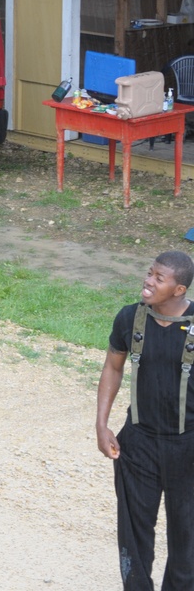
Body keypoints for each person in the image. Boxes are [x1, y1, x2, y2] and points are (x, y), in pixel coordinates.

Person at [96, 250, 194, 590]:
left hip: (188, 447)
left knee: (187, 535)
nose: (148, 281)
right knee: (134, 531)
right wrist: (102, 424)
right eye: (149, 273)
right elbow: (113, 366)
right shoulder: (129, 319)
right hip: (138, 442)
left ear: (179, 290)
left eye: (158, 278)